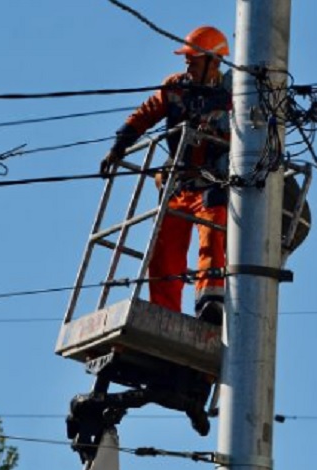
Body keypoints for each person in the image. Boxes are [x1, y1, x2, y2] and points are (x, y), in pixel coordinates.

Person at [100, 25, 232, 325]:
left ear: (213, 61)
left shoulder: (233, 97)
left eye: (194, 59)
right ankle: (164, 312)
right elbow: (145, 113)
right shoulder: (175, 88)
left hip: (213, 182)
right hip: (178, 183)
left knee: (211, 239)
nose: (187, 63)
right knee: (164, 251)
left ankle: (210, 304)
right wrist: (118, 147)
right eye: (186, 58)